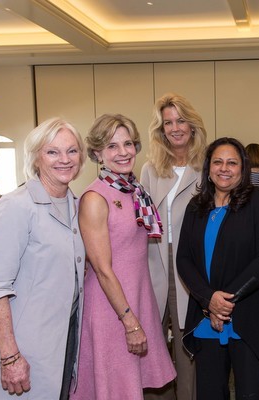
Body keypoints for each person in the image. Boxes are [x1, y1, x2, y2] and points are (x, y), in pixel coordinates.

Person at [0, 117, 86, 399]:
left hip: (62, 342)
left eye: (72, 151)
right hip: (21, 348)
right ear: (36, 157)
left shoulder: (76, 206)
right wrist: (10, 357)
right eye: (52, 151)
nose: (64, 159)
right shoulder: (16, 206)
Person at [71, 114, 176, 399]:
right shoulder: (95, 199)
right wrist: (130, 322)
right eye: (112, 146)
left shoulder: (135, 191)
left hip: (136, 299)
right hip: (112, 308)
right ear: (97, 153)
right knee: (116, 389)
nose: (123, 152)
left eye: (128, 143)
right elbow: (102, 269)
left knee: (130, 386)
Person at [176, 137, 259, 399]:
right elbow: (183, 259)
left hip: (248, 317)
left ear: (243, 168)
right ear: (208, 167)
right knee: (210, 393)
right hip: (206, 319)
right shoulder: (196, 206)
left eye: (232, 162)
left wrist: (222, 302)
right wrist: (208, 300)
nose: (224, 168)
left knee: (251, 393)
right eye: (218, 162)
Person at [140, 93, 207, 400]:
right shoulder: (150, 169)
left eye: (181, 120)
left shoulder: (207, 167)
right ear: (161, 129)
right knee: (153, 341)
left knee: (186, 343)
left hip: (190, 264)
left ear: (192, 125)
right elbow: (141, 221)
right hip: (154, 262)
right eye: (168, 122)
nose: (175, 127)